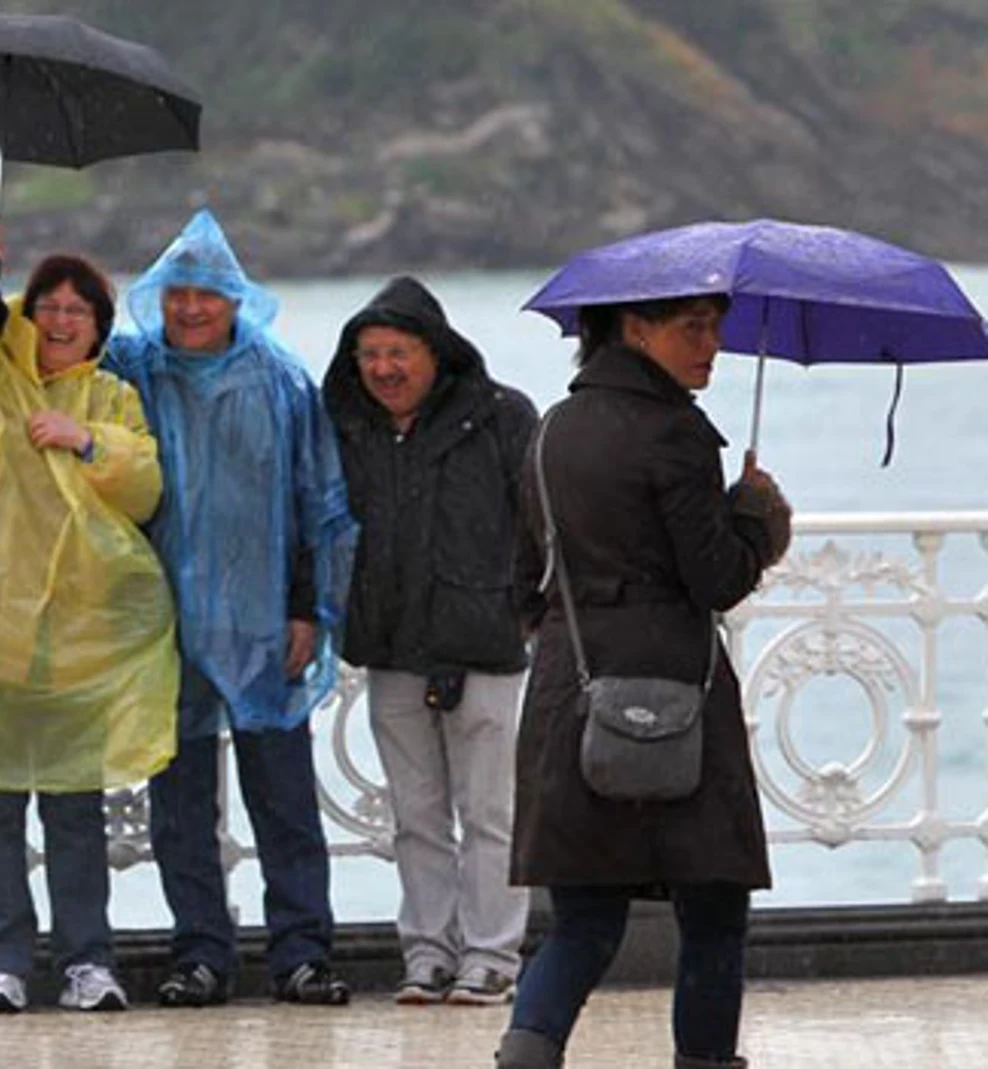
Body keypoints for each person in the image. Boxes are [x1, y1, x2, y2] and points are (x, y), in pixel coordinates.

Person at [493, 294, 791, 1069]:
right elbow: (717, 577)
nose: (713, 345)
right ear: (635, 327)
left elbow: (525, 577)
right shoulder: (679, 432)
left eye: (716, 326)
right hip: (677, 690)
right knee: (714, 907)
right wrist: (756, 518)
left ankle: (524, 1055)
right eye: (693, 326)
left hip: (572, 688)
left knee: (584, 919)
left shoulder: (551, 429)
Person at [0, 223, 178, 1014]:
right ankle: (0, 963)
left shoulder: (113, 396)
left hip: (78, 643)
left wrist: (86, 440)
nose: (59, 320)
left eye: (77, 311)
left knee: (74, 811)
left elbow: (144, 485)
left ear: (98, 325)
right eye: (46, 305)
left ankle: (88, 960)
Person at [102, 209, 359, 1007]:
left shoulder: (280, 380)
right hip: (163, 621)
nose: (190, 307)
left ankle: (303, 951)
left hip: (262, 620)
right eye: (177, 291)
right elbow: (47, 364)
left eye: (207, 293)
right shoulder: (131, 371)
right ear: (156, 296)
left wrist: (309, 608)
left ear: (235, 298)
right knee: (178, 806)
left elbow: (318, 502)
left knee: (282, 796)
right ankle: (201, 952)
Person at [321, 276, 536, 1006]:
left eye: (398, 352)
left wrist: (526, 611)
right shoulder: (349, 425)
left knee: (490, 812)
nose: (383, 368)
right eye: (369, 353)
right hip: (392, 647)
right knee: (413, 815)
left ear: (435, 353)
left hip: (486, 645)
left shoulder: (503, 415)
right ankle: (428, 952)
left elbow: (540, 522)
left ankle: (492, 955)